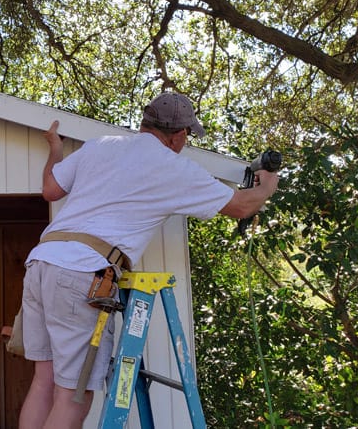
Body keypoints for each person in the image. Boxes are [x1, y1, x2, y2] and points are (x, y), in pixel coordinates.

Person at [18, 92, 279, 429]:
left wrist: (55, 148)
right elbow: (242, 206)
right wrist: (267, 187)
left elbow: (51, 189)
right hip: (81, 272)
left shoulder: (101, 145)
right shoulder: (171, 167)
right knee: (73, 395)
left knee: (44, 381)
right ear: (180, 135)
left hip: (41, 263)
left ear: (144, 123)